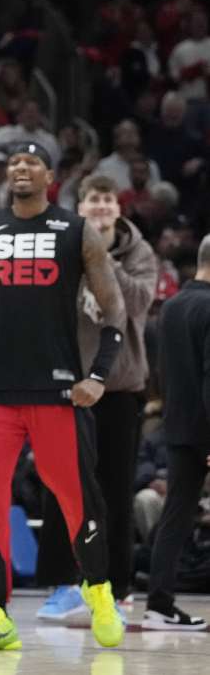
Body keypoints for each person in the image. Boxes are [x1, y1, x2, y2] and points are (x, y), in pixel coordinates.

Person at [0, 141, 127, 652]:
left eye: (32, 161)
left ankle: (99, 590)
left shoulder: (76, 231)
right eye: (14, 161)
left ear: (50, 176)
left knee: (78, 499)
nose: (20, 167)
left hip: (57, 391)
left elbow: (114, 309)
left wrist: (98, 375)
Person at [34, 175, 157, 620]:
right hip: (68, 387)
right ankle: (63, 585)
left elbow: (139, 303)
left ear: (118, 208)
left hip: (120, 388)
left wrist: (103, 258)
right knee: (61, 486)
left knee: (115, 490)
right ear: (80, 207)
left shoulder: (139, 251)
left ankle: (117, 588)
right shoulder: (61, 247)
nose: (101, 206)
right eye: (93, 199)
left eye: (108, 199)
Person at [143, 234, 210, 631]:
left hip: (178, 425)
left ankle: (159, 604)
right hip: (205, 429)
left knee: (176, 516)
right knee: (178, 515)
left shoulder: (171, 306)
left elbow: (165, 373)